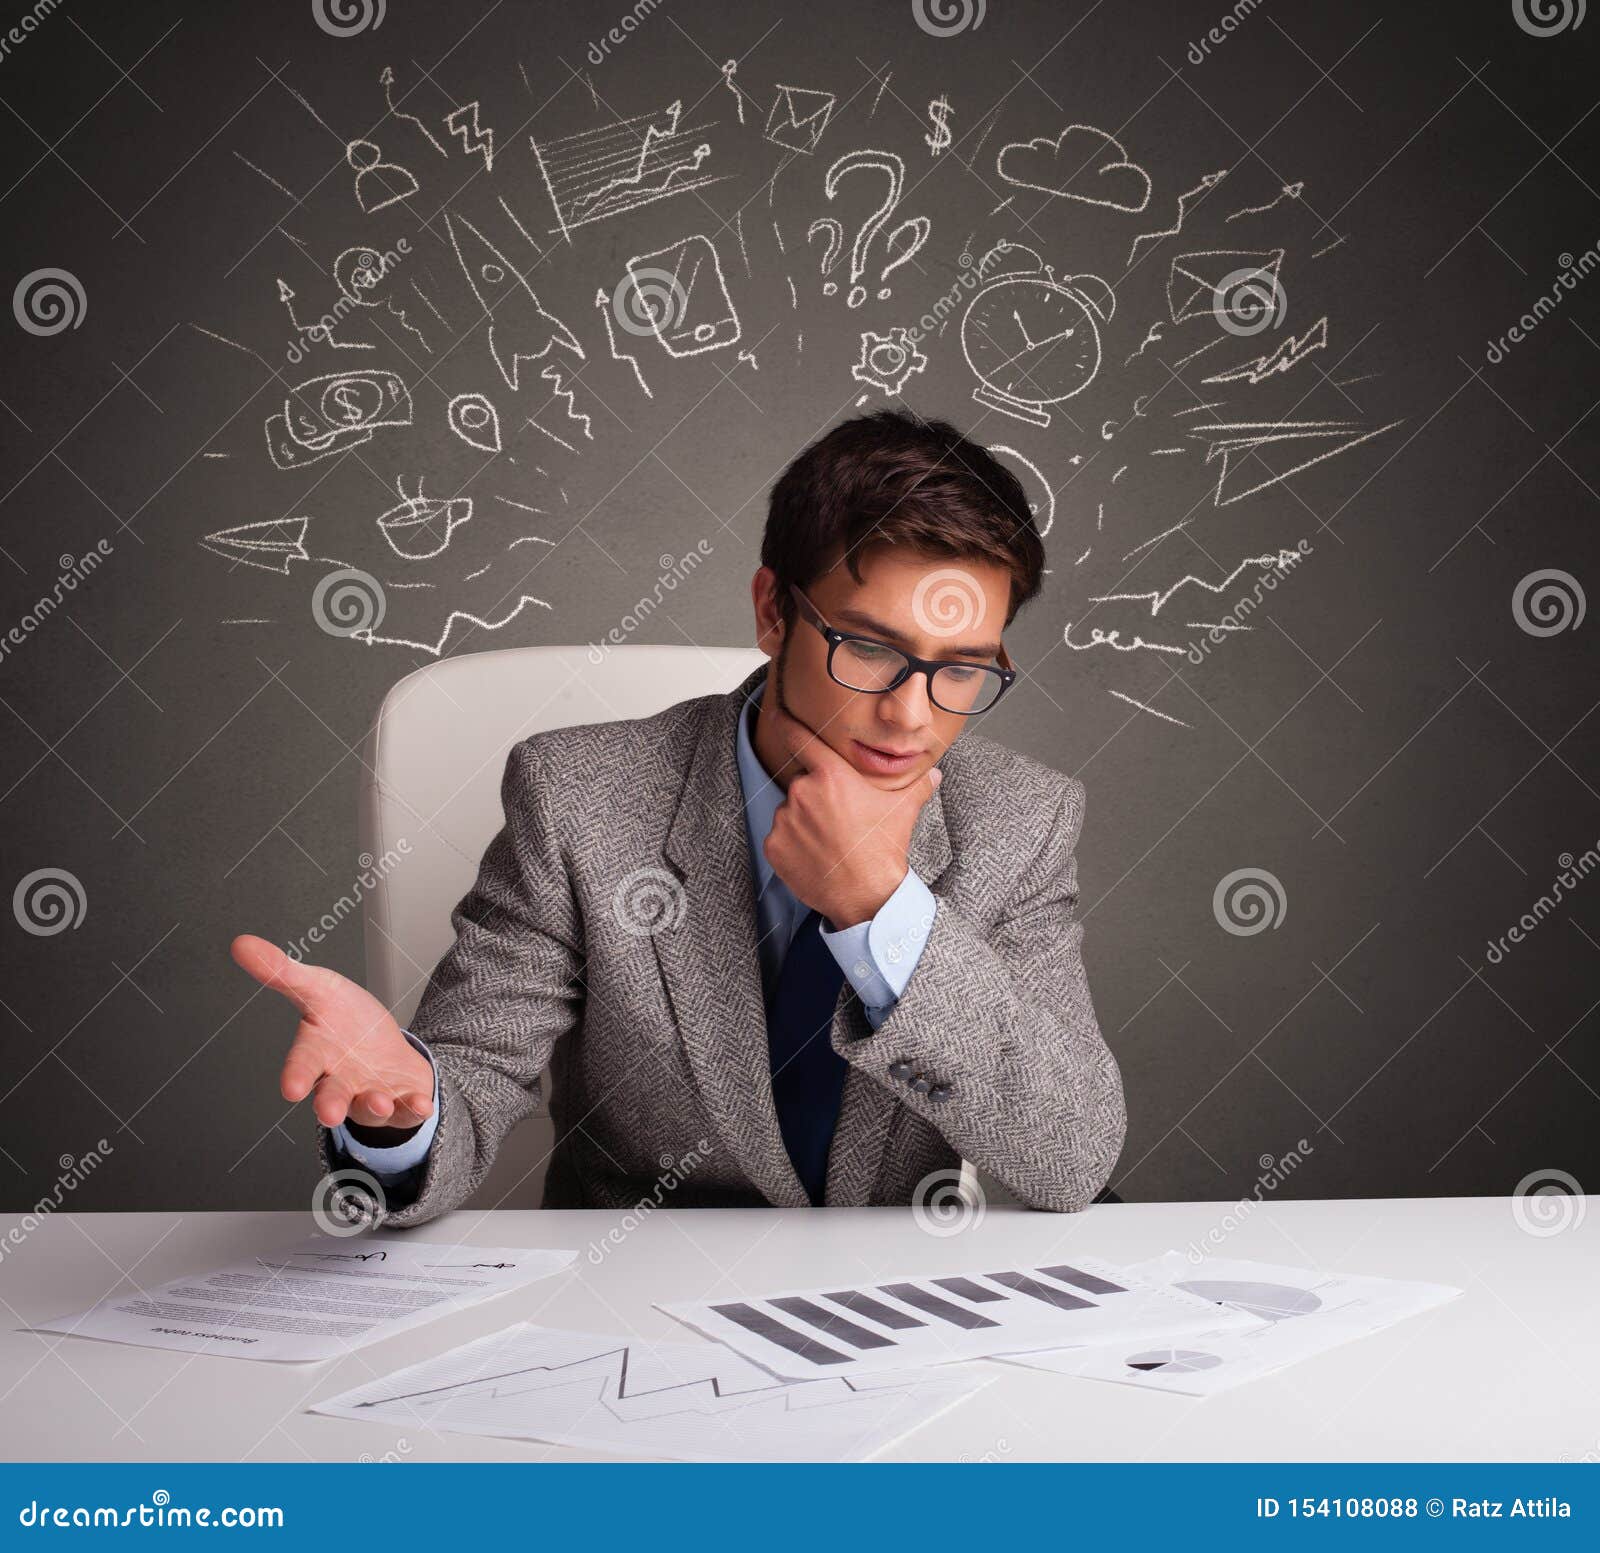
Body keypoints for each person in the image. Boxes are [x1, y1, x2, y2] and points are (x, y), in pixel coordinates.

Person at [231, 409, 1127, 1223]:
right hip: (625, 1306)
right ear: (774, 611)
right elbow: (465, 1086)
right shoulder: (576, 797)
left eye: (962, 668)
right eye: (869, 648)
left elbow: (1072, 1156)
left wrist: (880, 909)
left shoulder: (1022, 820)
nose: (913, 716)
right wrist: (403, 1115)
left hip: (890, 1314)